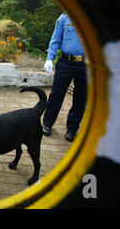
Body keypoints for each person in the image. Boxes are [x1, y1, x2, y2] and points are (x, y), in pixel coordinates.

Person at [42, 12, 87, 142]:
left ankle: (72, 129)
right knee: (57, 94)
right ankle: (47, 123)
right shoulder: (64, 18)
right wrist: (49, 58)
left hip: (86, 65)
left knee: (81, 98)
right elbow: (56, 39)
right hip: (65, 62)